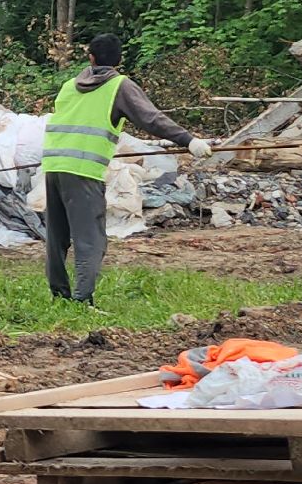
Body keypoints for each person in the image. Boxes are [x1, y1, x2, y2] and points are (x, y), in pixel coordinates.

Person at [41, 33, 211, 305]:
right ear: (119, 61)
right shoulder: (119, 86)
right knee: (90, 240)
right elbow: (151, 119)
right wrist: (188, 140)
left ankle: (59, 296)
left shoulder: (69, 86)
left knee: (56, 237)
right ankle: (82, 300)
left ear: (91, 58)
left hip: (53, 166)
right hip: (84, 171)